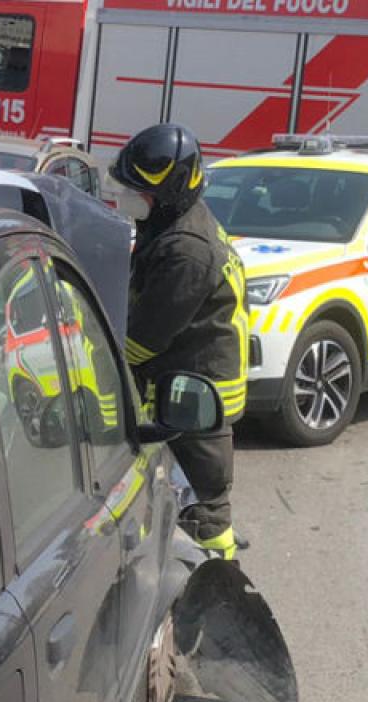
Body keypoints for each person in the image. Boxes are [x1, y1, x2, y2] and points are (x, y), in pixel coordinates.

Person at [109, 123, 250, 560]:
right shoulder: (175, 223)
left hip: (196, 396)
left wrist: (103, 364)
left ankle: (219, 581)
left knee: (204, 511)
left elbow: (143, 340)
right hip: (188, 380)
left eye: (140, 192)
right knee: (173, 491)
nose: (129, 198)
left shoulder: (186, 249)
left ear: (168, 193)